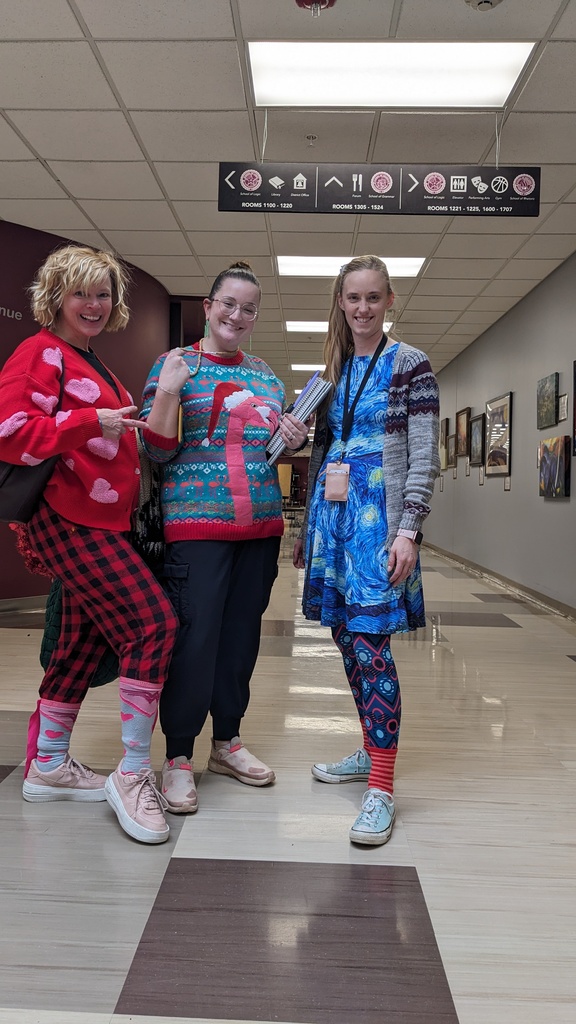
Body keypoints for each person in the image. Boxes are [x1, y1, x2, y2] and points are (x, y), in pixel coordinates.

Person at [0, 244, 179, 845]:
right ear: (55, 296)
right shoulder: (40, 352)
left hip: (97, 521)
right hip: (67, 518)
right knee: (153, 625)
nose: (94, 304)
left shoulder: (86, 358)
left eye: (103, 293)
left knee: (78, 642)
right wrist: (90, 423)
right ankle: (132, 774)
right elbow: (10, 433)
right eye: (81, 292)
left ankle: (48, 764)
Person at [140, 261, 309, 814]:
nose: (237, 315)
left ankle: (227, 742)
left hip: (259, 528)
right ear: (209, 307)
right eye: (228, 304)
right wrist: (168, 392)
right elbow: (155, 448)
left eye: (249, 308)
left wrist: (291, 438)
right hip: (195, 529)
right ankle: (179, 756)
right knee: (195, 640)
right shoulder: (175, 364)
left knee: (240, 640)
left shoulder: (266, 376)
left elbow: (268, 452)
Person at [293, 255, 440, 846]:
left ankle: (381, 787)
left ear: (389, 301)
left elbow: (424, 455)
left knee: (371, 646)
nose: (362, 308)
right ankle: (367, 747)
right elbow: (317, 448)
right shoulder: (331, 369)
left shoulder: (410, 365)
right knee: (344, 640)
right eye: (353, 298)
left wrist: (409, 530)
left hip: (380, 524)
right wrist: (308, 526)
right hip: (335, 522)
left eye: (373, 297)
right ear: (340, 301)